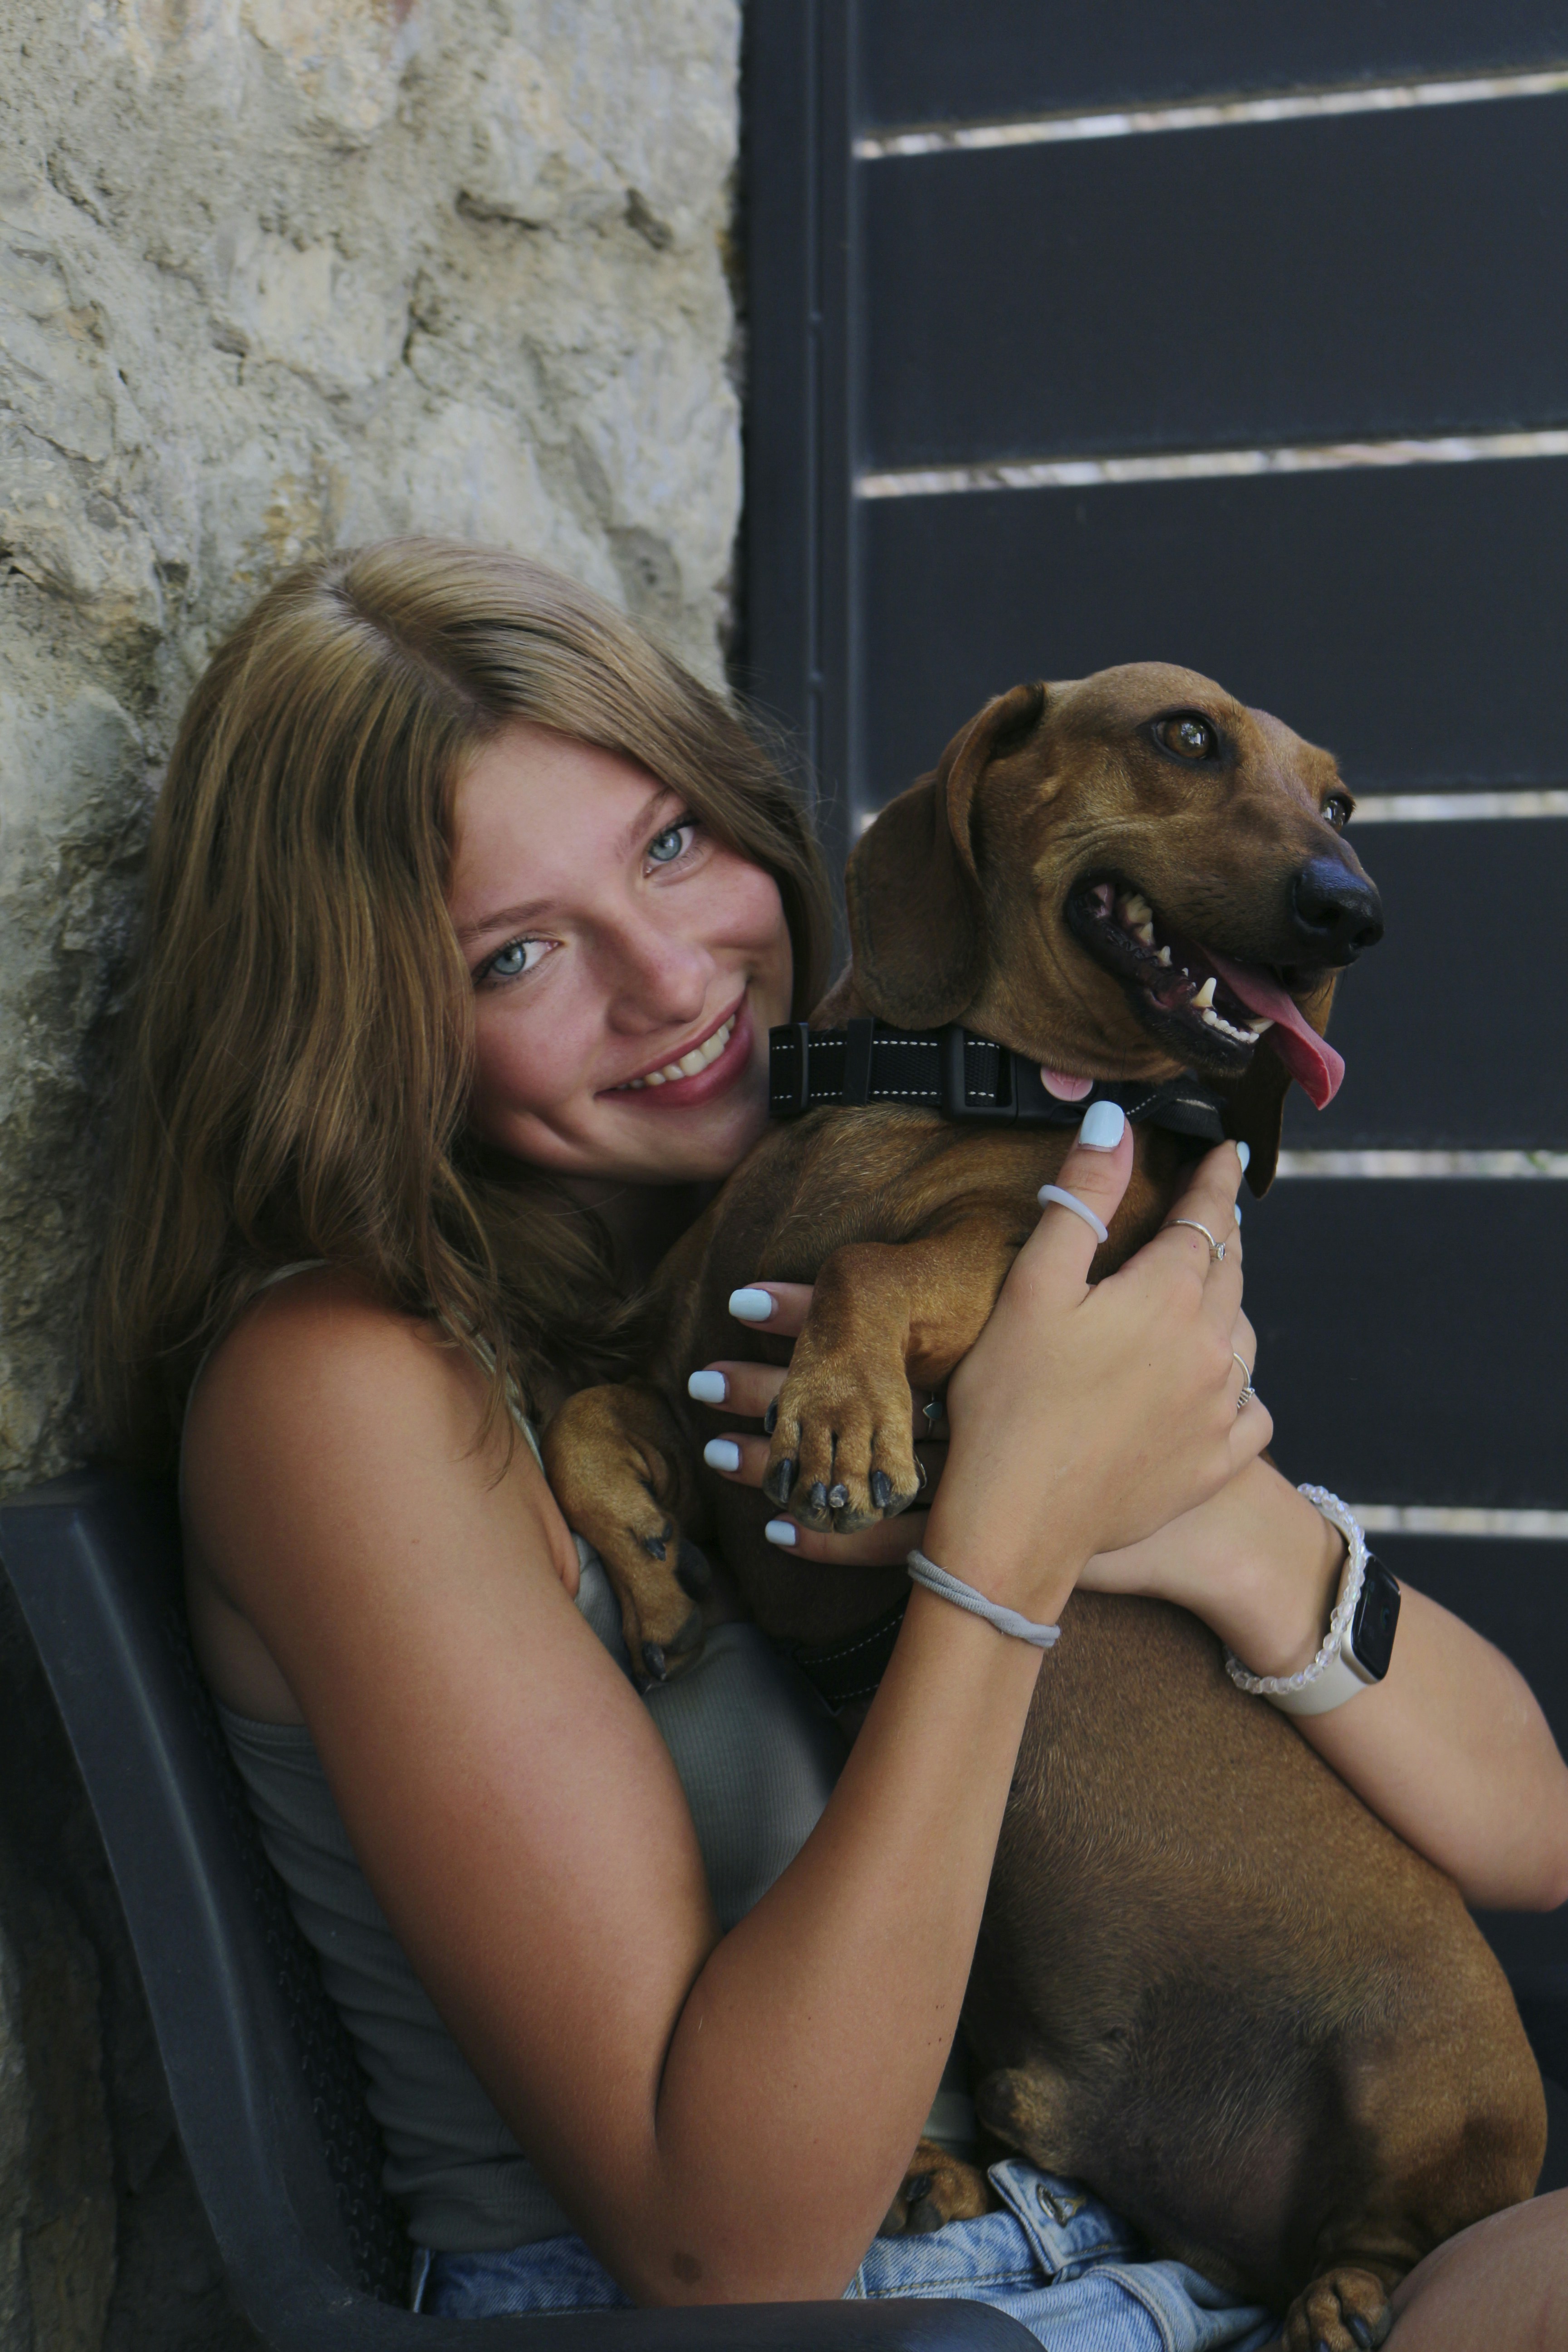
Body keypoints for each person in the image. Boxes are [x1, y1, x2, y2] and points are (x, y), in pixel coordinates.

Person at [92, 540, 1568, 2347]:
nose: (670, 980)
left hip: (1129, 2241)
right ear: (361, 1017)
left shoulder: (826, 1240)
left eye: (670, 848)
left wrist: (1195, 1514)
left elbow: (1526, 1825)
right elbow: (733, 2256)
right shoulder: (344, 1385)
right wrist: (1011, 1535)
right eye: (520, 951)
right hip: (859, 2305)